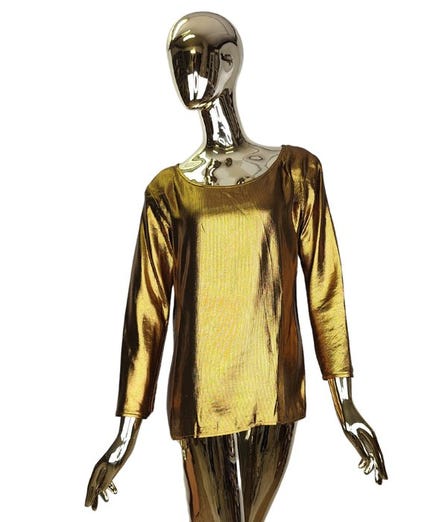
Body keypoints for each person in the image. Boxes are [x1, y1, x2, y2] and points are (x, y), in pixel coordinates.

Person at [85, 11, 387, 521]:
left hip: (274, 389)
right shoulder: (168, 192)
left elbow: (325, 288)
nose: (185, 77)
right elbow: (146, 314)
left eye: (195, 61)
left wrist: (346, 403)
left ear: (228, 62)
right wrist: (125, 431)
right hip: (200, 395)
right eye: (176, 64)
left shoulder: (296, 173)